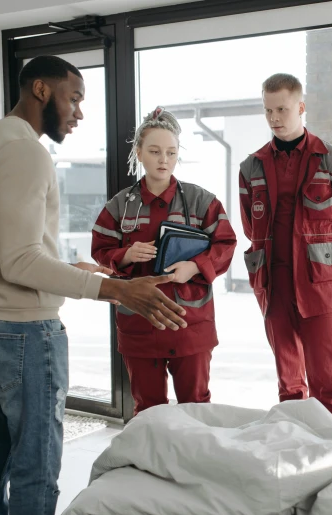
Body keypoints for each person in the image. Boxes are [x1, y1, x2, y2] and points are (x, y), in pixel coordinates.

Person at [0, 56, 187, 515]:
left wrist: (63, 265)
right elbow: (19, 261)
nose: (79, 112)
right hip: (21, 329)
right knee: (36, 463)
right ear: (41, 89)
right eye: (73, 98)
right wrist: (113, 289)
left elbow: (5, 248)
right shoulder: (25, 150)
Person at [92, 107, 236, 415]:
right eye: (155, 151)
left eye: (171, 152)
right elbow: (100, 248)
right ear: (139, 153)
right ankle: (152, 464)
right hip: (139, 325)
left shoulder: (202, 201)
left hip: (190, 325)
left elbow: (226, 243)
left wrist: (195, 266)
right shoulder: (119, 206)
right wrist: (125, 254)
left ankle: (194, 463)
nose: (163, 160)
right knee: (147, 411)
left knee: (196, 408)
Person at [238, 73, 332, 416]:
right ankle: (293, 446)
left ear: (301, 107)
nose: (275, 118)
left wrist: (318, 257)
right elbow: (251, 224)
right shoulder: (250, 167)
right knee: (288, 378)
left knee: (325, 378)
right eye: (268, 111)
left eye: (282, 109)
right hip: (273, 282)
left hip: (317, 282)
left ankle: (330, 449)